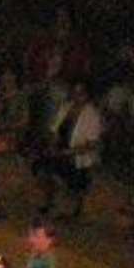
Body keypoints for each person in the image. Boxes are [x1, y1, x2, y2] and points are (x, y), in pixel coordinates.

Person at [34, 80, 104, 219]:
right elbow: (55, 130)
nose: (77, 96)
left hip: (78, 157)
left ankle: (65, 206)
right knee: (42, 168)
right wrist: (52, 145)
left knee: (62, 174)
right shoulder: (66, 108)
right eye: (75, 93)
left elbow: (91, 145)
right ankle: (51, 202)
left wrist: (67, 152)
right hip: (60, 150)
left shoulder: (92, 115)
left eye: (80, 93)